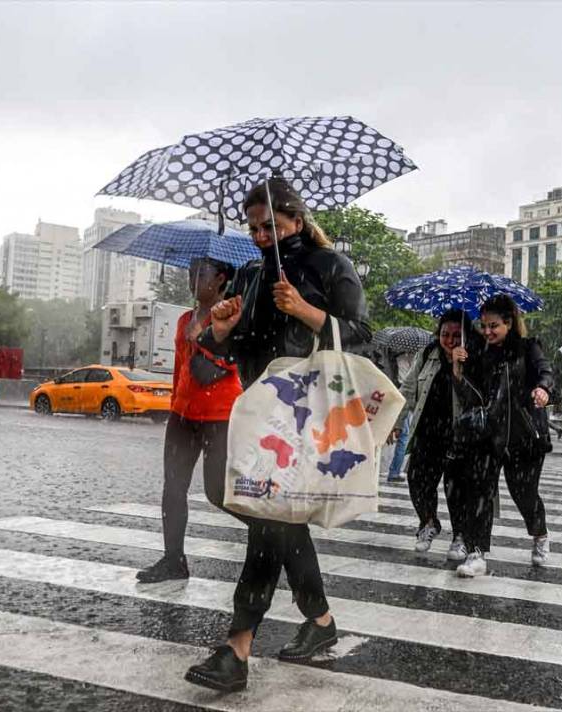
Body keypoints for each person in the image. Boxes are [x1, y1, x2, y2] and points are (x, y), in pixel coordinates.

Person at [183, 178, 372, 693]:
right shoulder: (248, 274)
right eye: (254, 228)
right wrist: (222, 329)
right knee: (278, 521)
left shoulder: (330, 266)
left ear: (295, 218)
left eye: (271, 225)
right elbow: (233, 352)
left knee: (269, 521)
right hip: (258, 412)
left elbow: (360, 336)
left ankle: (237, 647)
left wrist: (306, 311)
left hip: (306, 415)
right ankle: (321, 622)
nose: (262, 235)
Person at [136, 258, 242, 583]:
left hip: (220, 416)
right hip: (183, 416)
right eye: (190, 273)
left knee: (216, 491)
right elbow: (181, 368)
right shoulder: (185, 319)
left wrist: (203, 338)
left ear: (221, 278)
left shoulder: (234, 316)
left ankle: (271, 531)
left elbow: (238, 364)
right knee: (173, 487)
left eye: (200, 274)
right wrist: (174, 407)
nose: (192, 280)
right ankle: (173, 560)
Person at [451, 294, 554, 577]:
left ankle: (540, 534)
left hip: (524, 437)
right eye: (484, 325)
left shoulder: (528, 348)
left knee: (525, 495)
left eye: (494, 325)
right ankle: (476, 553)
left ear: (509, 323)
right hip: (487, 436)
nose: (487, 332)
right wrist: (458, 368)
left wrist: (543, 389)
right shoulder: (479, 353)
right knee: (480, 492)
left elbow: (546, 372)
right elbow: (468, 395)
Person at [390, 310, 479, 558]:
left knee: (456, 489)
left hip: (458, 436)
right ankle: (428, 522)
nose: (449, 340)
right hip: (427, 432)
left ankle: (461, 535)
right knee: (418, 480)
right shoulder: (428, 354)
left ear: (465, 335)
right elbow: (407, 389)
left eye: (455, 335)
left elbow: (476, 396)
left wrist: (459, 368)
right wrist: (396, 421)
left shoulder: (474, 357)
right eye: (445, 334)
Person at [385, 350, 415, 484]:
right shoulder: (411, 359)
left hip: (395, 395)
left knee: (403, 435)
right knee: (404, 437)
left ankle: (395, 470)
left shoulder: (395, 358)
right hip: (404, 399)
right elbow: (408, 384)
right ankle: (394, 471)